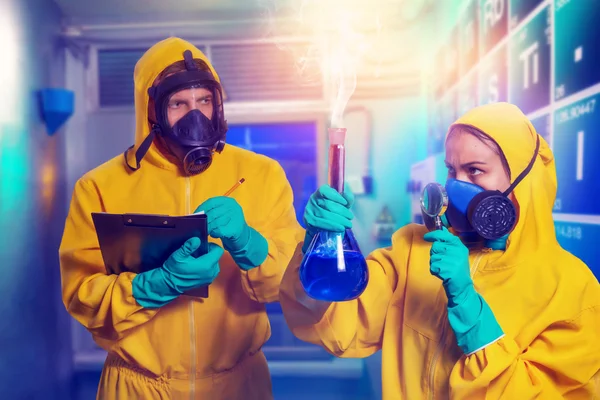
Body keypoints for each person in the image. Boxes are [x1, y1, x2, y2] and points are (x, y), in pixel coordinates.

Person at [280, 102, 600, 399]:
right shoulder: (412, 249)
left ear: (522, 181)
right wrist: (317, 246)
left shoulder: (571, 290)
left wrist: (469, 308)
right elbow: (340, 325)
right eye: (451, 170)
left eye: (474, 170)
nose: (456, 186)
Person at [59, 37, 303, 399]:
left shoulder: (261, 175)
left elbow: (289, 287)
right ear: (152, 110)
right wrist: (152, 286)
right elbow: (81, 296)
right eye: (178, 103)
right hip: (138, 386)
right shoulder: (100, 186)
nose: (196, 116)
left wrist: (248, 243)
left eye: (204, 100)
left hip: (237, 384)